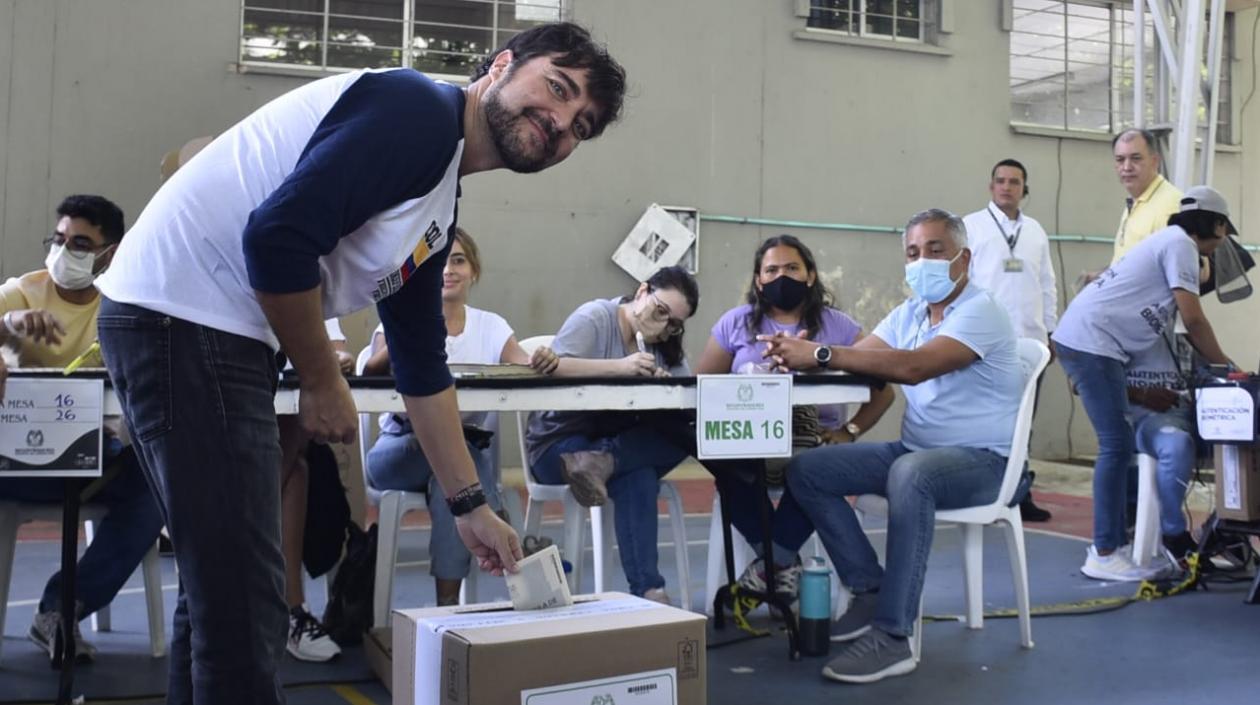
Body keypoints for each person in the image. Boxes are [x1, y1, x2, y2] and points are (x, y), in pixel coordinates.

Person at [90, 22, 626, 703]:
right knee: (246, 600)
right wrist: (320, 379)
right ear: (500, 65)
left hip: (209, 325)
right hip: (184, 314)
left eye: (581, 125)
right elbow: (277, 237)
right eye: (557, 89)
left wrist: (470, 505)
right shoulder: (417, 113)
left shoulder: (436, 195)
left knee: (222, 590)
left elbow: (420, 362)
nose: (558, 123)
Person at [763, 209, 1023, 683]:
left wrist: (820, 353)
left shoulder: (979, 311)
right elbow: (865, 359)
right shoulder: (911, 313)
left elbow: (912, 368)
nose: (921, 260)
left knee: (911, 474)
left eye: (934, 250)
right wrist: (795, 353)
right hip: (918, 453)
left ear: (963, 259)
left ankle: (893, 634)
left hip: (986, 463)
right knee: (810, 470)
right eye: (912, 253)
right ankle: (868, 588)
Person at [0, 195, 164, 664]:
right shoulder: (25, 291)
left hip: (96, 458)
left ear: (109, 253)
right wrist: (6, 327)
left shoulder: (125, 303)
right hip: (18, 463)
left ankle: (59, 609)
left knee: (156, 488)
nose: (63, 252)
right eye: (58, 240)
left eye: (79, 244)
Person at [694, 234, 894, 603]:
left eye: (791, 268)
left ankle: (770, 566)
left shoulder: (840, 328)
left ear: (811, 276)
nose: (780, 276)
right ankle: (780, 564)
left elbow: (885, 390)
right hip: (750, 444)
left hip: (814, 445)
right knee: (720, 463)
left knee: (813, 473)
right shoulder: (735, 324)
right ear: (758, 280)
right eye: (771, 270)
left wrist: (848, 432)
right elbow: (700, 391)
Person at [364, 228, 558, 606]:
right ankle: (502, 542)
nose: (448, 270)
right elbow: (367, 373)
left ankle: (447, 609)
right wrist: (411, 335)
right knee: (461, 464)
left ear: (473, 271)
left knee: (451, 481)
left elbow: (525, 364)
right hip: (398, 453)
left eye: (458, 260)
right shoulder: (399, 317)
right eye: (439, 262)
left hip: (460, 458)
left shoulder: (492, 326)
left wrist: (545, 360)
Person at [1053, 186, 1237, 582]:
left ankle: (1115, 545)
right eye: (1223, 235)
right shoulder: (1181, 246)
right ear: (1218, 225)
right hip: (1093, 342)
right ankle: (1106, 550)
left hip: (1087, 340)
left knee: (1117, 446)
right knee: (1116, 446)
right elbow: (1196, 319)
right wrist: (1223, 366)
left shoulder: (1164, 242)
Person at [524, 265, 698, 604]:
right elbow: (553, 368)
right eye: (660, 311)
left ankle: (604, 461)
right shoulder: (595, 317)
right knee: (639, 473)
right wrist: (622, 368)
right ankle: (650, 590)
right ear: (642, 291)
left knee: (679, 441)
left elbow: (686, 403)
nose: (665, 326)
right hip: (560, 441)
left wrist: (662, 390)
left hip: (612, 445)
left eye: (675, 323)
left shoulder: (667, 346)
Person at [962, 158, 1057, 522]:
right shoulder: (970, 227)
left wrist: (1051, 332)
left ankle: (1020, 491)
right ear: (991, 187)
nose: (1006, 187)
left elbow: (1046, 284)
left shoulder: (1035, 231)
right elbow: (962, 282)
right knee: (983, 420)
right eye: (1000, 181)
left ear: (1024, 189)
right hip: (984, 343)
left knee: (1023, 422)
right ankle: (978, 489)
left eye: (1014, 182)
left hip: (1031, 342)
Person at [276, 318, 353, 663]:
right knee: (294, 466)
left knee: (300, 469)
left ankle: (292, 611)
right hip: (219, 422)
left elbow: (336, 350)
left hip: (284, 425)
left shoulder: (312, 290)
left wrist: (338, 362)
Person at [1123, 336, 1199, 560]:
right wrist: (1142, 394)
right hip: (1152, 419)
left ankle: (1221, 528)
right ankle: (1173, 533)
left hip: (1193, 414)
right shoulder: (1119, 334)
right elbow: (1082, 383)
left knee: (1246, 443)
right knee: (1176, 444)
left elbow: (1217, 370)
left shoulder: (1184, 338)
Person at [1112, 129, 1182, 262]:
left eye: (1136, 158)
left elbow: (1181, 272)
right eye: (1120, 160)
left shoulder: (1171, 208)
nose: (1127, 167)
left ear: (1155, 161)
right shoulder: (1136, 200)